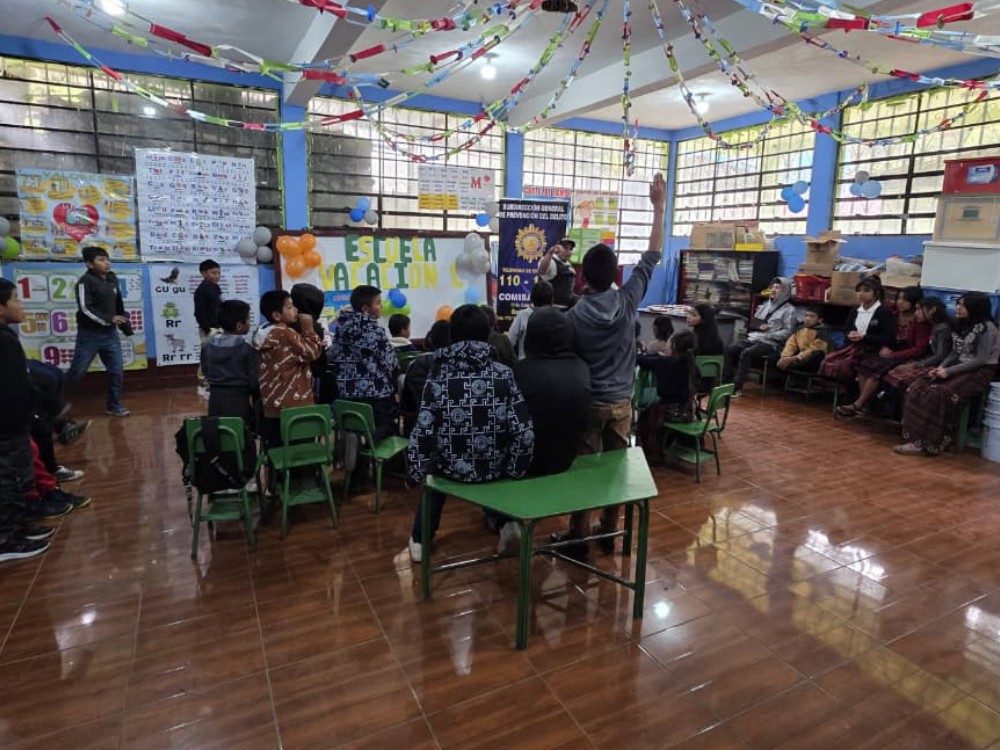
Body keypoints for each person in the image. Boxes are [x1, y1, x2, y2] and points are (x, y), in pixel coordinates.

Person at [560, 173, 666, 555]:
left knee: (584, 470)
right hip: (622, 403)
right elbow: (652, 256)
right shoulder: (627, 302)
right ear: (616, 274)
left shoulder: (573, 316)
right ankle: (609, 530)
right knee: (617, 470)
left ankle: (578, 536)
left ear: (582, 276)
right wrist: (659, 208)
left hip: (589, 404)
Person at [405, 305, 534, 563]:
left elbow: (424, 429)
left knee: (434, 482)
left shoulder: (438, 376)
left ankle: (420, 540)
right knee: (492, 482)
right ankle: (508, 524)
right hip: (494, 467)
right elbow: (524, 432)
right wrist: (514, 469)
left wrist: (417, 471)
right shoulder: (504, 374)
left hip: (450, 469)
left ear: (453, 335)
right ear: (488, 334)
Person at [0, 279, 67, 562]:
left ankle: (16, 527)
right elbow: (14, 387)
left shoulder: (6, 336)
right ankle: (6, 540)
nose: (21, 305)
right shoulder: (3, 341)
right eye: (16, 298)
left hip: (15, 424)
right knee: (8, 479)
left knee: (17, 478)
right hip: (7, 426)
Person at [896, 292, 999, 456]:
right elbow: (954, 352)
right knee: (917, 386)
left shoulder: (987, 329)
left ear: (976, 308)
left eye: (963, 305)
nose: (958, 307)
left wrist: (948, 371)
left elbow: (980, 359)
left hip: (978, 372)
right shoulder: (961, 324)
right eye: (958, 303)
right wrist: (940, 368)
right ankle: (915, 439)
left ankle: (935, 442)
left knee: (939, 394)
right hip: (957, 367)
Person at [838, 286, 931, 417]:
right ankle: (867, 404)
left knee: (877, 369)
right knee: (865, 363)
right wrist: (883, 346)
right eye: (899, 298)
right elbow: (884, 334)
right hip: (888, 350)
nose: (900, 302)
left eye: (905, 300)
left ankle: (858, 404)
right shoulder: (892, 315)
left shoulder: (920, 321)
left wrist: (893, 354)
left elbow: (919, 349)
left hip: (906, 354)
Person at [329, 285, 400, 441]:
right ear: (366, 308)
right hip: (376, 394)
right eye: (378, 303)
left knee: (356, 426)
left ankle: (357, 442)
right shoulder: (374, 331)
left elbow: (333, 355)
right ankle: (365, 440)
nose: (381, 306)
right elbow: (391, 362)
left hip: (347, 396)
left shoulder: (341, 330)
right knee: (390, 426)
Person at [66, 246, 129, 417]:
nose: (106, 263)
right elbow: (85, 308)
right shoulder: (84, 282)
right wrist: (109, 319)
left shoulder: (112, 278)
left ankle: (113, 405)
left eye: (107, 259)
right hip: (89, 335)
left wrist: (123, 323)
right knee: (78, 372)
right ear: (89, 264)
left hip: (110, 335)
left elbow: (117, 303)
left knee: (117, 371)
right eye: (101, 260)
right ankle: (52, 400)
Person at [256, 290, 323, 448]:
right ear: (277, 316)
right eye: (290, 307)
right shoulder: (285, 333)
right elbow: (312, 352)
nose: (296, 311)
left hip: (272, 406)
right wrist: (308, 328)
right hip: (294, 405)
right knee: (301, 449)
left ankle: (277, 474)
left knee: (278, 449)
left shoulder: (263, 332)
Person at [635, 330, 700, 465]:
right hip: (690, 411)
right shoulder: (691, 362)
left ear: (674, 345)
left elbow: (642, 360)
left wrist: (650, 355)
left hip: (671, 412)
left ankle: (652, 454)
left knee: (645, 414)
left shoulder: (666, 363)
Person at [725, 277, 795, 397]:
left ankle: (736, 388)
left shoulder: (790, 310)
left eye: (777, 288)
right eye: (772, 287)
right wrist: (760, 326)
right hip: (756, 337)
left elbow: (789, 332)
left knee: (747, 353)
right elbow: (754, 322)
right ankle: (725, 383)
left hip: (772, 343)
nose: (773, 290)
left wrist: (770, 332)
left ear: (785, 290)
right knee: (730, 348)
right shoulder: (765, 305)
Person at [201, 299, 259, 427]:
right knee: (241, 438)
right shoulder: (246, 349)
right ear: (239, 325)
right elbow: (254, 381)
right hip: (240, 402)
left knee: (219, 436)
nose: (250, 322)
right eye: (248, 319)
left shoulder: (207, 346)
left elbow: (205, 370)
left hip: (215, 401)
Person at [885, 297, 953, 391]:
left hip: (939, 366)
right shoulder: (933, 325)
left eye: (919, 309)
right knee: (892, 371)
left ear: (932, 310)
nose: (916, 313)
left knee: (898, 378)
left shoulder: (943, 329)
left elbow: (940, 356)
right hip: (929, 361)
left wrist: (915, 365)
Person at [400, 320, 451, 436]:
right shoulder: (458, 366)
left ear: (430, 340)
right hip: (450, 430)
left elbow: (405, 405)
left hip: (417, 431)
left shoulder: (414, 365)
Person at [194, 259, 222, 397]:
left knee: (218, 356)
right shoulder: (201, 290)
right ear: (203, 274)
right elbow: (198, 313)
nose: (216, 276)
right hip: (209, 329)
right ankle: (203, 382)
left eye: (218, 273)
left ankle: (215, 381)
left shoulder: (216, 288)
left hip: (219, 327)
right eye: (213, 273)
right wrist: (207, 329)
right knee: (207, 356)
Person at [507, 279, 553, 360]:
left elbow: (510, 340)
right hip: (548, 366)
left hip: (525, 364)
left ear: (531, 298)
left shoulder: (523, 315)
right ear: (551, 300)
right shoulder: (555, 317)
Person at [776, 308, 829, 373]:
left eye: (812, 317)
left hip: (809, 359)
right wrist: (785, 356)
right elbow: (791, 343)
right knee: (778, 348)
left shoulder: (823, 333)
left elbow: (812, 350)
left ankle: (791, 366)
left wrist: (794, 358)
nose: (807, 319)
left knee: (817, 354)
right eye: (806, 315)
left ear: (820, 320)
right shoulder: (800, 328)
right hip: (797, 356)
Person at [538, 238, 577, 308]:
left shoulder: (568, 265)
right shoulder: (551, 261)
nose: (568, 251)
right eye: (565, 248)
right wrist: (550, 253)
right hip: (552, 308)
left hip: (566, 309)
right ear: (558, 248)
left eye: (570, 249)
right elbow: (542, 271)